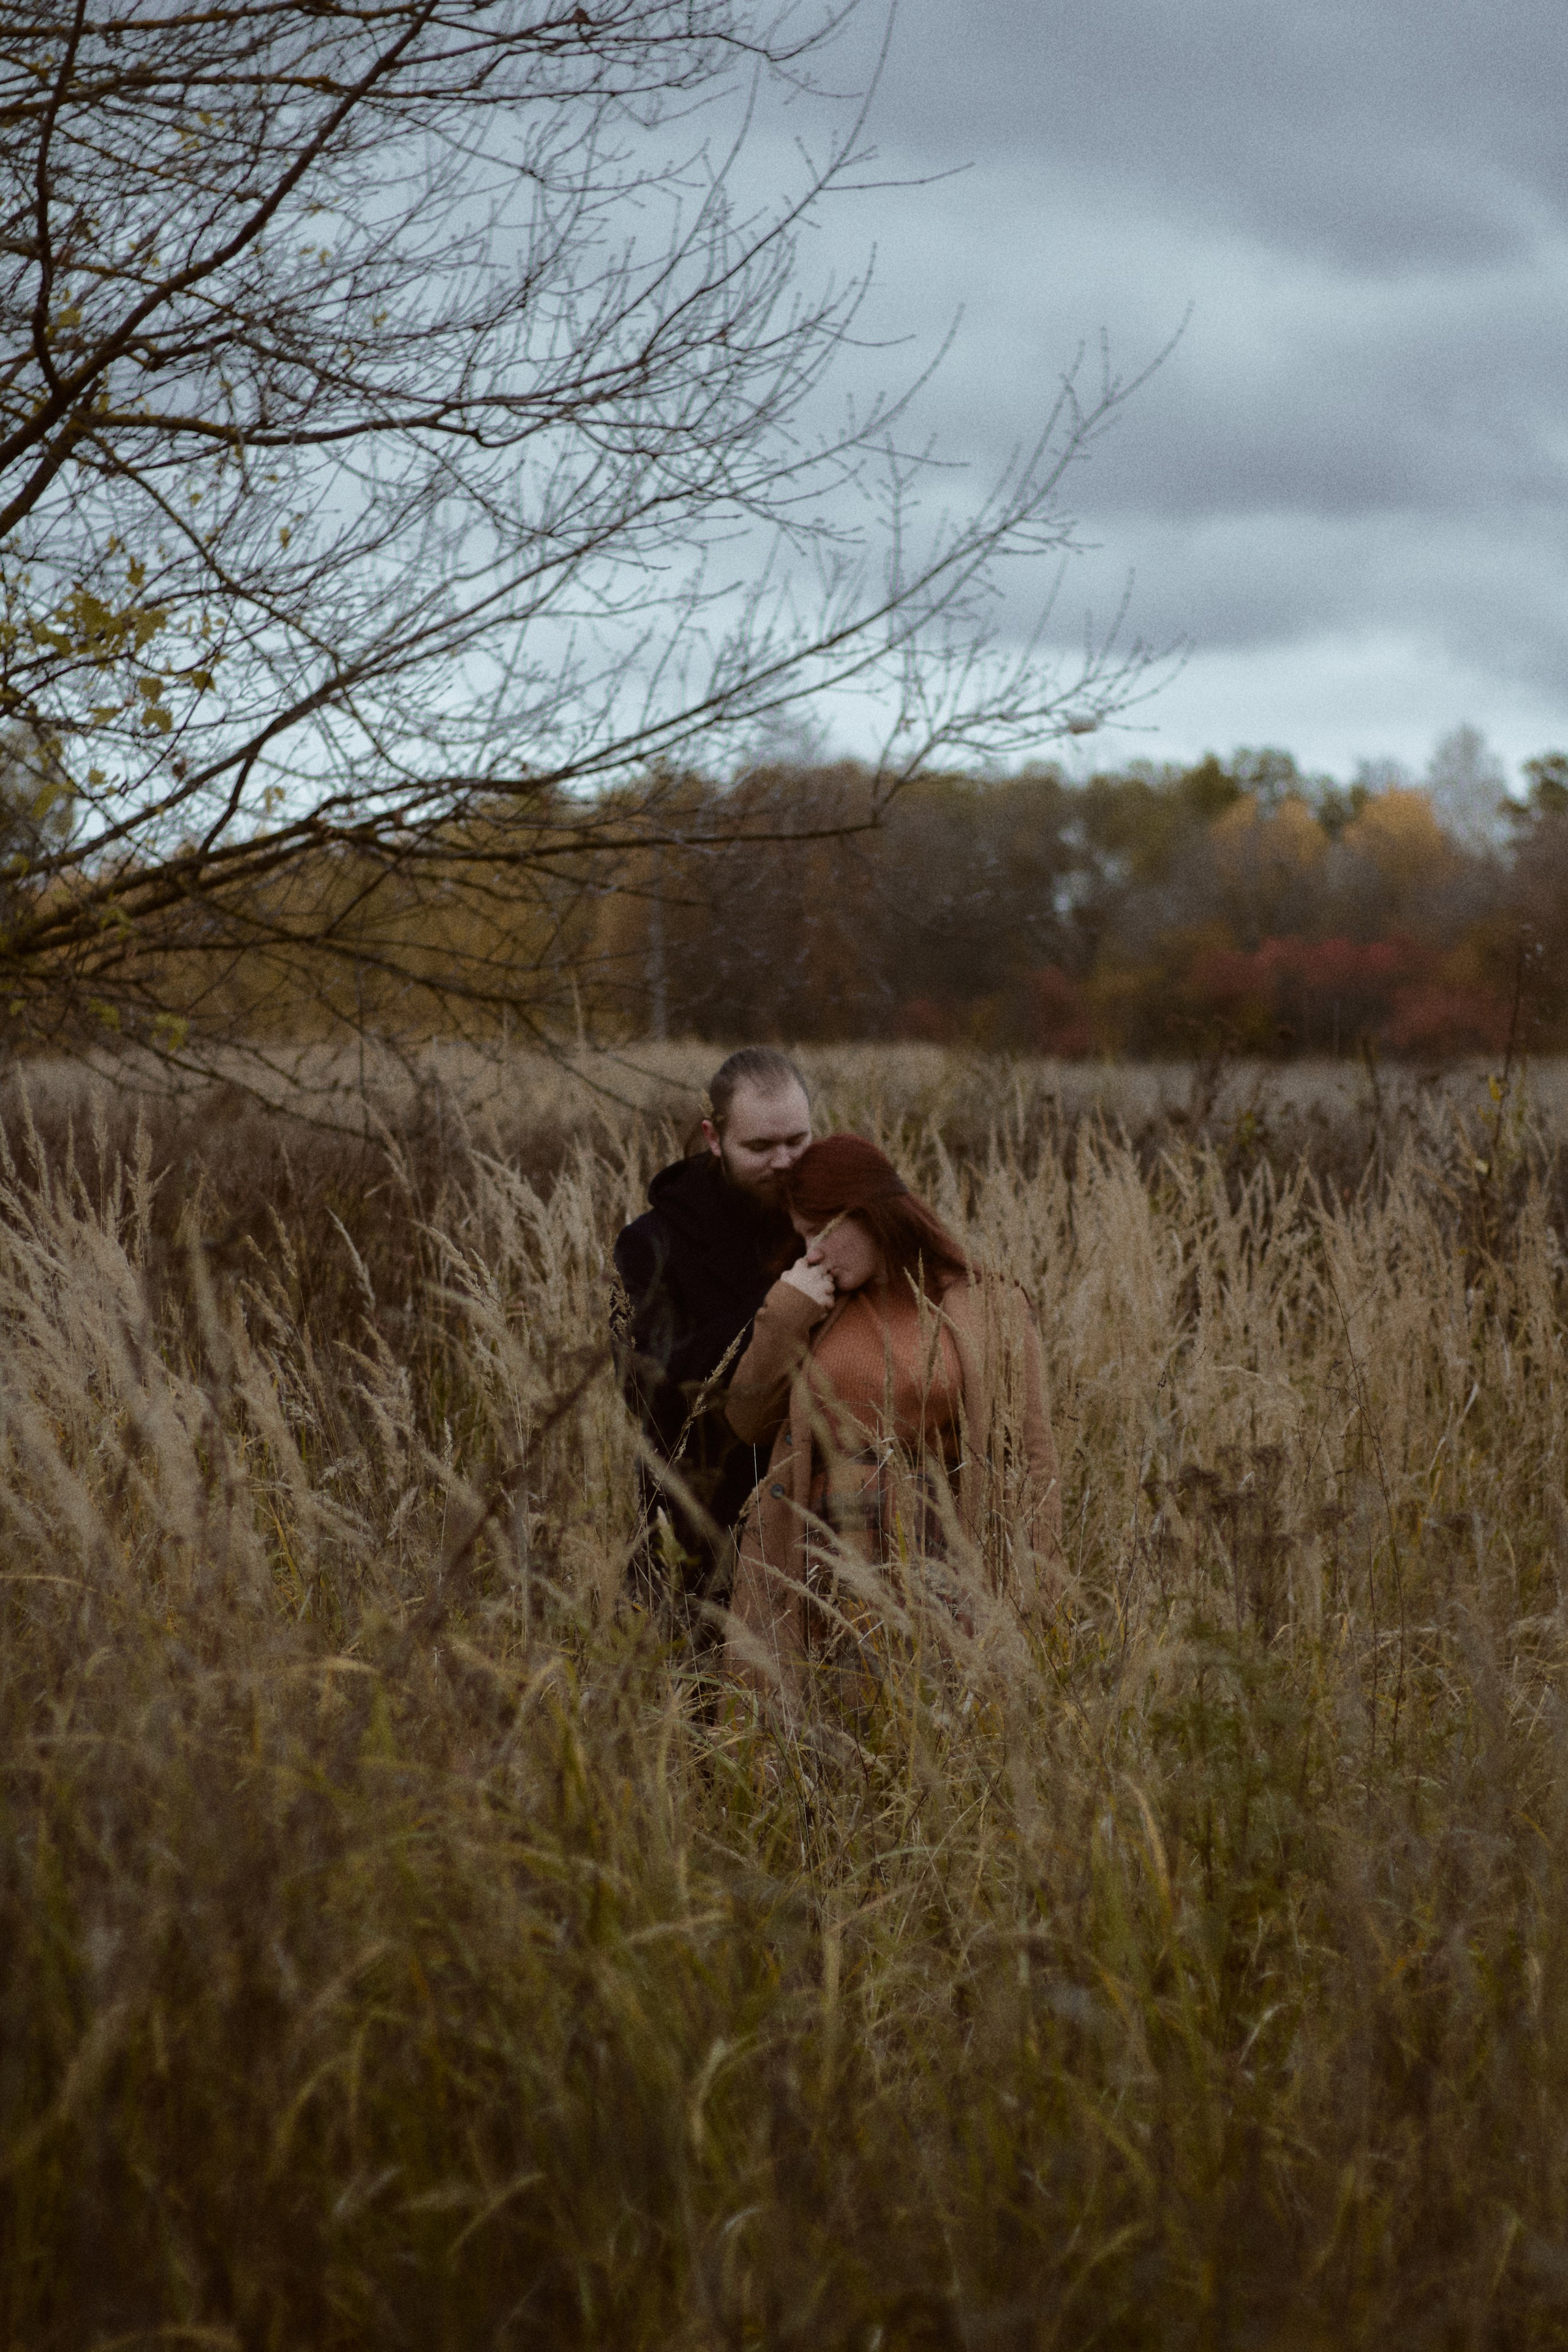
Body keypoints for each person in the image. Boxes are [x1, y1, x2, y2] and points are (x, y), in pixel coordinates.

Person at [722, 1133, 1062, 1702]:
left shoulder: (988, 1303)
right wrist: (785, 1312)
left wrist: (1039, 1582)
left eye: (821, 1232)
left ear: (869, 1214)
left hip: (940, 1558)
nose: (811, 1253)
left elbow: (1033, 1456)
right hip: (821, 1558)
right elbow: (748, 1419)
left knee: (934, 1731)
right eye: (801, 1236)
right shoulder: (815, 1302)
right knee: (824, 1733)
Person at [612, 1047, 813, 1628]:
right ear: (714, 1138)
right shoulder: (651, 1244)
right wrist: (782, 1306)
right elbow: (651, 1388)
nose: (784, 1161)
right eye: (761, 1146)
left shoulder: (834, 1223)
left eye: (797, 1141)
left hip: (819, 1524)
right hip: (699, 1533)